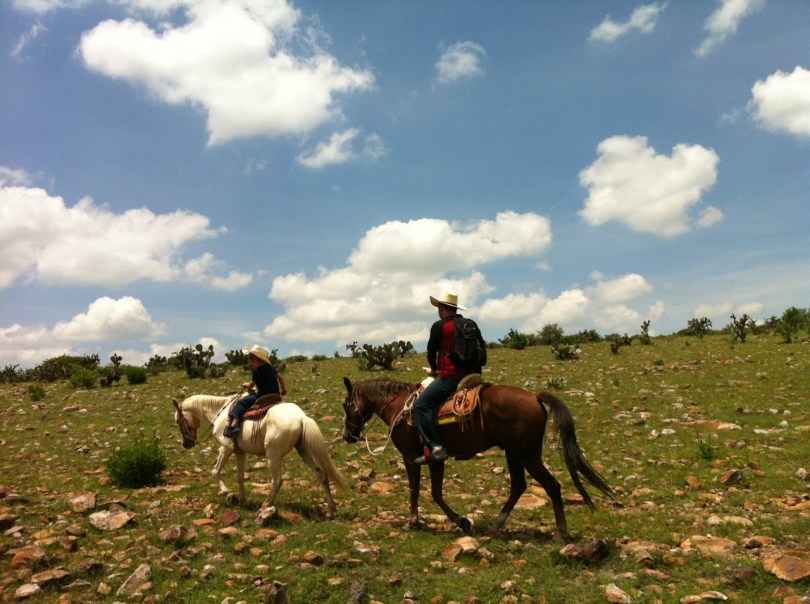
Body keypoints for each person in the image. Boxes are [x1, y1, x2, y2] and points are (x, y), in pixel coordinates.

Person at [412, 292, 482, 464]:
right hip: (473, 376)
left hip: (450, 377)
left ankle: (436, 447)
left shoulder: (439, 326)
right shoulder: (469, 324)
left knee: (420, 406)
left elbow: (431, 352)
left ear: (442, 308)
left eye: (438, 307)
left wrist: (434, 370)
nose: (438, 310)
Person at [224, 345, 285, 438]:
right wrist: (284, 390)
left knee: (241, 402)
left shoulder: (257, 372)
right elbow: (280, 378)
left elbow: (251, 386)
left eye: (252, 360)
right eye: (250, 360)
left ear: (260, 360)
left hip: (263, 397)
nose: (250, 363)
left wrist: (245, 384)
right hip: (276, 395)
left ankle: (234, 425)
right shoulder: (271, 367)